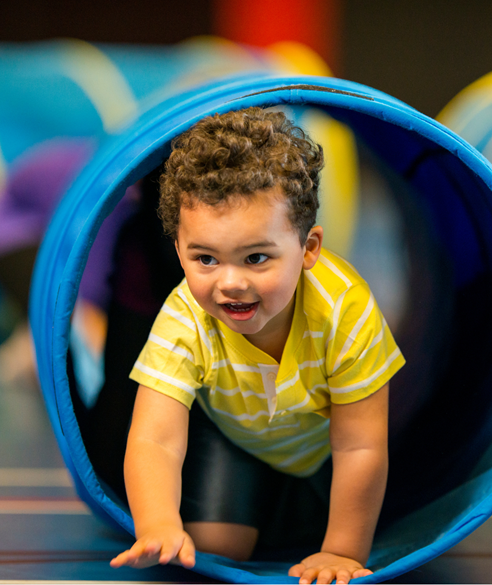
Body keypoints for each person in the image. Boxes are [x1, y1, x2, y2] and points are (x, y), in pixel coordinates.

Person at [109, 107, 405, 585]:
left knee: (360, 519)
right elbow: (154, 438)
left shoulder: (344, 312)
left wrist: (342, 551)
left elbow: (360, 444)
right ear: (179, 248)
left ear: (309, 248)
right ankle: (261, 508)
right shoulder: (186, 317)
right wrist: (158, 523)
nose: (230, 283)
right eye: (205, 258)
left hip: (323, 450)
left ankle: (288, 509)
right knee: (213, 551)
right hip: (236, 437)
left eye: (256, 258)